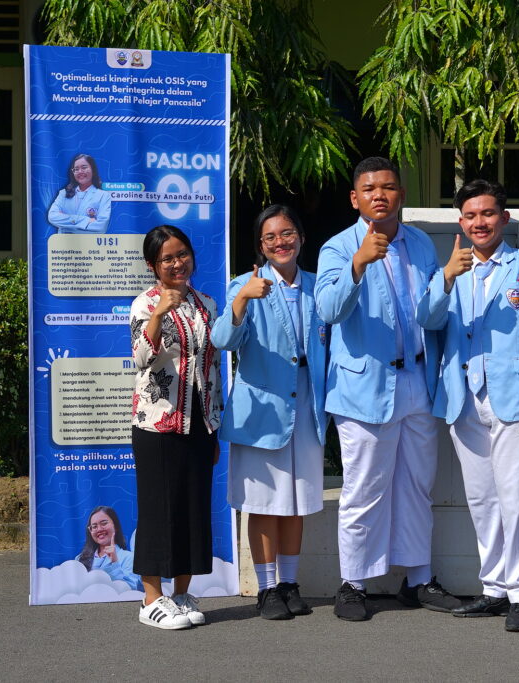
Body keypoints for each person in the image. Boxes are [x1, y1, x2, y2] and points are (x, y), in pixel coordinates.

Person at [315, 157, 460, 621]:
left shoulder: (418, 243)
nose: (380, 194)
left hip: (416, 380)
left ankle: (418, 579)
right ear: (355, 198)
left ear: (401, 195)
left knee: (417, 486)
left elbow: (432, 318)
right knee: (364, 488)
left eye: (390, 187)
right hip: (364, 386)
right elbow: (328, 311)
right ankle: (353, 583)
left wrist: (449, 281)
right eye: (370, 188)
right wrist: (358, 265)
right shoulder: (338, 247)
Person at [417, 179, 519, 632]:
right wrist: (445, 278)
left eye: (488, 213)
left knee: (518, 499)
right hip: (463, 398)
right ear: (461, 222)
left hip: (515, 398)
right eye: (471, 215)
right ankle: (495, 587)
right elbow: (428, 320)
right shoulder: (451, 271)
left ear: (505, 217)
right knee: (482, 499)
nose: (479, 222)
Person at [212, 205, 328, 620]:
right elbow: (224, 339)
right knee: (262, 504)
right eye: (270, 237)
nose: (281, 242)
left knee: (296, 503)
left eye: (287, 233)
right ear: (260, 246)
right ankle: (266, 589)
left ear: (300, 236)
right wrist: (242, 299)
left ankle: (290, 583)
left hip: (307, 409)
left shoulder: (318, 286)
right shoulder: (243, 284)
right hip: (261, 412)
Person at [130, 224, 223, 630]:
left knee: (192, 508)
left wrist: (215, 424)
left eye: (182, 254)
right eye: (167, 258)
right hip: (157, 424)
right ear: (153, 265)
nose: (177, 263)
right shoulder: (144, 304)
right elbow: (140, 357)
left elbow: (214, 368)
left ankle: (182, 595)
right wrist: (159, 314)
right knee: (158, 510)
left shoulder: (206, 304)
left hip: (199, 421)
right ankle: (151, 599)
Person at [75, 505, 140, 591]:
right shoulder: (79, 559)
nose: (99, 529)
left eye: (104, 523)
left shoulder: (129, 558)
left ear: (115, 526)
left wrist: (114, 562)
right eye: (94, 526)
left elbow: (130, 590)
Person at [48, 153, 112, 233]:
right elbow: (52, 217)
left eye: (84, 168)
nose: (80, 171)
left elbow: (101, 227)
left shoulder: (103, 196)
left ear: (93, 170)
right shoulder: (63, 194)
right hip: (64, 244)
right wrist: (86, 221)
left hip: (89, 244)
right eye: (76, 169)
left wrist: (64, 223)